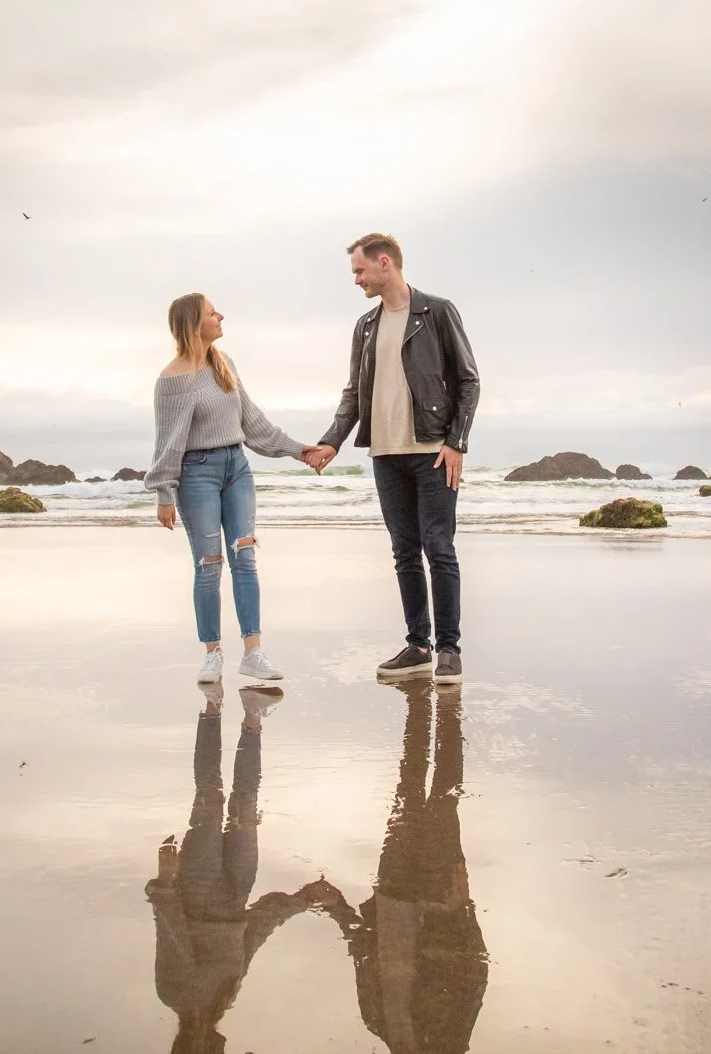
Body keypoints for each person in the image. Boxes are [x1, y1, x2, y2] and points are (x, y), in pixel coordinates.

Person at [312, 234, 480, 684]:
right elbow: (353, 394)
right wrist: (332, 441)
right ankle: (417, 646)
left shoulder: (437, 312)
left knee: (438, 549)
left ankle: (448, 649)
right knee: (404, 552)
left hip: (432, 453)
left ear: (384, 264)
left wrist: (456, 442)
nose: (356, 280)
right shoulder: (365, 326)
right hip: (385, 454)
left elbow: (468, 381)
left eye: (359, 271)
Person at [148, 292, 332, 686]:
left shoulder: (223, 364)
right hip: (196, 474)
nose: (220, 316)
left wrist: (300, 451)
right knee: (209, 565)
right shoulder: (170, 381)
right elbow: (167, 443)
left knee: (244, 558)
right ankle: (212, 653)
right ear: (193, 323)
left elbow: (254, 423)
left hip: (237, 469)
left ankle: (253, 653)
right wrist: (164, 494)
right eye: (212, 312)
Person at [305, 680, 488, 1052]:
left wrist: (338, 908)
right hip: (439, 904)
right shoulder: (450, 1040)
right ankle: (440, 714)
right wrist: (463, 910)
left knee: (409, 783)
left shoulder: (376, 1021)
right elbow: (475, 975)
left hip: (392, 894)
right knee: (444, 793)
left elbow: (364, 953)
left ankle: (421, 711)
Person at [146, 687, 312, 1053]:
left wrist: (165, 881)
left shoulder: (175, 993)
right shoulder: (223, 998)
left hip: (198, 888)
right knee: (246, 802)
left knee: (211, 795)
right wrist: (300, 901)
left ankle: (212, 709)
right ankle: (253, 719)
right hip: (237, 892)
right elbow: (251, 937)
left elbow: (170, 932)